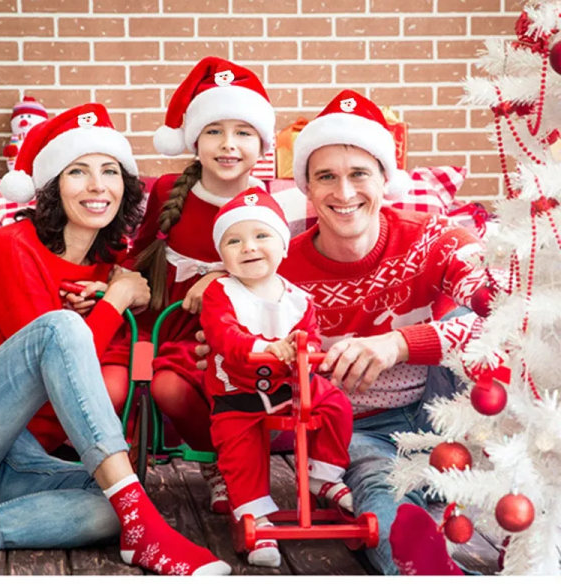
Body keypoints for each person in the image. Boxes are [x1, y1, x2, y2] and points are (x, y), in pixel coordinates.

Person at [0, 103, 230, 576]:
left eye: (110, 170)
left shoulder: (110, 267)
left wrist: (126, 295)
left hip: (8, 461)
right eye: (78, 172)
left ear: (125, 186)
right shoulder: (13, 246)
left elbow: (105, 360)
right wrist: (116, 301)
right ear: (50, 188)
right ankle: (148, 531)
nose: (96, 185)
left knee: (114, 506)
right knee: (59, 329)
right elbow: (54, 365)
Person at [277, 88, 487, 576]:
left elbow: (502, 316)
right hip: (361, 431)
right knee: (380, 494)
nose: (344, 193)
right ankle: (428, 572)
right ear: (306, 186)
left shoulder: (439, 237)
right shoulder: (279, 268)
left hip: (456, 417)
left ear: (384, 180)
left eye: (358, 175)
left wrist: (398, 342)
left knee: (462, 317)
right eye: (326, 176)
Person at [101, 56, 276, 514]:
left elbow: (273, 275)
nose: (228, 145)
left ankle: (220, 462)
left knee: (169, 389)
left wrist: (221, 276)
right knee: (111, 386)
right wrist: (109, 283)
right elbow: (134, 253)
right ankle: (105, 472)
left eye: (243, 132)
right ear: (195, 139)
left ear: (262, 143)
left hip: (211, 337)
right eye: (214, 131)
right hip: (153, 322)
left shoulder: (263, 204)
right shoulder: (166, 192)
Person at [200, 188, 353, 567]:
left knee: (335, 403)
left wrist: (304, 349)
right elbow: (225, 335)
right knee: (240, 447)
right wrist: (266, 347)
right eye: (234, 241)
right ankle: (255, 518)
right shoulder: (221, 292)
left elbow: (310, 338)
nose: (248, 247)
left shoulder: (299, 299)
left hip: (290, 385)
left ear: (283, 247)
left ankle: (323, 475)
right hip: (238, 390)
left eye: (261, 236)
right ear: (223, 256)